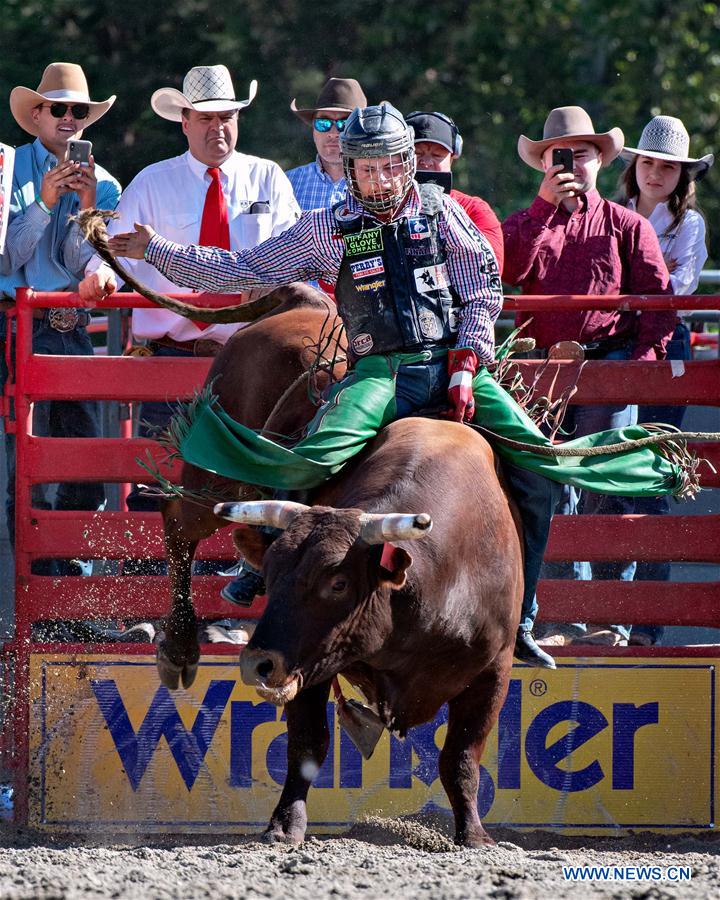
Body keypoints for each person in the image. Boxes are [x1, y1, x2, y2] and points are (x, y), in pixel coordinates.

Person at [107, 103, 693, 670]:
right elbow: (242, 270)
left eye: (391, 165)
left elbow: (482, 291)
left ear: (408, 163)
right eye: (368, 167)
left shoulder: (443, 215)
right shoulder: (331, 227)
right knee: (308, 458)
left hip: (450, 364)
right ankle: (266, 564)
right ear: (353, 168)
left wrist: (468, 360)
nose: (381, 178)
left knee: (539, 467)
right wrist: (154, 250)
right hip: (377, 372)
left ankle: (523, 619)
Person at [78, 64, 300, 551]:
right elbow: (115, 249)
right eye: (205, 118)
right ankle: (148, 595)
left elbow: (295, 253)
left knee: (241, 478)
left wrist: (273, 283)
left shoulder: (268, 178)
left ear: (238, 119)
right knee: (157, 476)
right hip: (171, 354)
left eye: (226, 116)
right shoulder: (153, 182)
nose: (217, 127)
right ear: (184, 121)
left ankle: (225, 596)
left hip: (246, 357)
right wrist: (101, 276)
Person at [502, 105, 677, 648]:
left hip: (607, 363)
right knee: (546, 489)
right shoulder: (525, 221)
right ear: (544, 164)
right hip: (538, 370)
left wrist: (639, 371)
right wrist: (543, 209)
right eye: (561, 155)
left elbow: (659, 302)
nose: (571, 164)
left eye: (581, 153)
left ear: (600, 160)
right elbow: (504, 272)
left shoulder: (628, 226)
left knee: (606, 487)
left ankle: (607, 618)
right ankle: (562, 616)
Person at [0, 62, 121, 571]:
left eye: (79, 111)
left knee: (82, 460)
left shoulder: (106, 184)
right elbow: (7, 257)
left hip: (67, 330)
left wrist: (86, 205)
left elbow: (78, 261)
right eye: (59, 109)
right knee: (20, 464)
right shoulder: (6, 169)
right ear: (38, 113)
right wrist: (47, 204)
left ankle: (66, 577)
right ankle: (30, 581)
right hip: (15, 328)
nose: (69, 118)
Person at [619, 115, 713, 646]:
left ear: (683, 174)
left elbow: (676, 290)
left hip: (663, 348)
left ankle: (645, 626)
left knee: (652, 471)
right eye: (649, 161)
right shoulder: (611, 212)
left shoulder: (690, 224)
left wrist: (626, 297)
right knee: (603, 470)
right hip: (613, 344)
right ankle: (602, 613)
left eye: (668, 166)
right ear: (635, 166)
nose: (656, 172)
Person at [405, 110, 503, 271]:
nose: (427, 162)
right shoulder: (381, 207)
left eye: (437, 154)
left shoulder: (475, 210)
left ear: (452, 158)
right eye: (417, 153)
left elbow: (491, 271)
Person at [286, 78, 368, 211]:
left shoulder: (380, 185)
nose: (333, 133)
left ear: (363, 133)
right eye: (323, 123)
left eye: (345, 124)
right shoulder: (286, 184)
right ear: (313, 130)